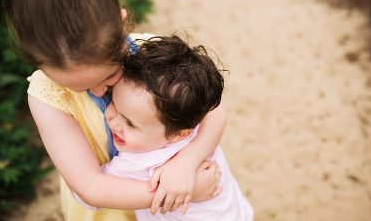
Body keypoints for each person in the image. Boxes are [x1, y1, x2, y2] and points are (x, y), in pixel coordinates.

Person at [8, 0, 224, 219]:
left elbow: (213, 111)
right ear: (38, 64)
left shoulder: (148, 50)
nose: (99, 91)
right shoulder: (46, 97)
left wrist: (187, 164)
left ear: (121, 25)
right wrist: (182, 192)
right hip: (110, 208)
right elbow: (91, 186)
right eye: (78, 87)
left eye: (109, 76)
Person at [74, 36, 254, 220]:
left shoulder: (134, 166)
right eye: (113, 103)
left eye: (130, 123)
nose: (112, 121)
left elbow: (85, 195)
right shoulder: (190, 118)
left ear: (179, 134)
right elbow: (215, 113)